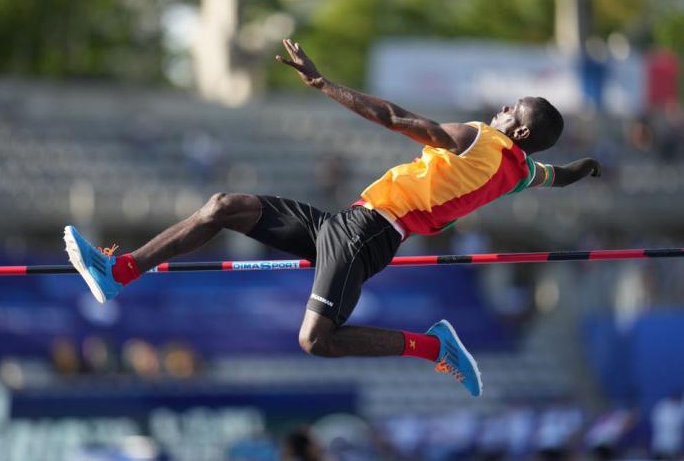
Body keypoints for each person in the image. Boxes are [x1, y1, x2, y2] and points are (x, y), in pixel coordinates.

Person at [63, 39, 601, 397]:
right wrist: (587, 167)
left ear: (520, 131)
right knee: (225, 206)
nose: (503, 108)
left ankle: (435, 346)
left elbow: (395, 117)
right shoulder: (522, 172)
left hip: (369, 233)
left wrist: (323, 85)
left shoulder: (479, 140)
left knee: (315, 341)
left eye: (513, 108)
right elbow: (562, 175)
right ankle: (120, 273)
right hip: (345, 223)